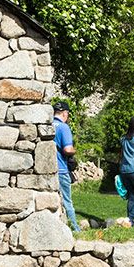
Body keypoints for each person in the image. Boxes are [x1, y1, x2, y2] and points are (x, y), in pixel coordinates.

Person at [53, 99, 81, 232]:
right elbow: (67, 149)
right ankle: (75, 228)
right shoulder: (64, 127)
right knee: (67, 201)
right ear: (65, 113)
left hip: (48, 170)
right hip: (62, 169)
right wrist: (76, 151)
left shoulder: (48, 125)